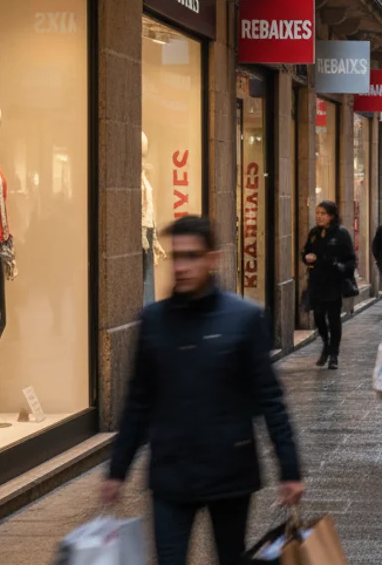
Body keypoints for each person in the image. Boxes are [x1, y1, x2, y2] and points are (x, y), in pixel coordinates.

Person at [102, 216, 303, 565]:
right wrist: (117, 469)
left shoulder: (243, 318)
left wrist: (290, 468)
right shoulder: (154, 320)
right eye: (176, 257)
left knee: (229, 557)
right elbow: (139, 400)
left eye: (192, 256)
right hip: (170, 473)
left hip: (230, 471)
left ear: (212, 259)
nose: (181, 266)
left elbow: (271, 399)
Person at [302, 200, 357, 369]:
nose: (319, 216)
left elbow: (351, 259)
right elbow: (305, 251)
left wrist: (338, 266)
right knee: (318, 317)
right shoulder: (314, 233)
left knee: (334, 319)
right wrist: (306, 257)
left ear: (332, 216)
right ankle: (326, 344)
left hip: (334, 282)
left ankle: (334, 354)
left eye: (323, 213)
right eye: (317, 213)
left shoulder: (341, 233)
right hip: (317, 282)